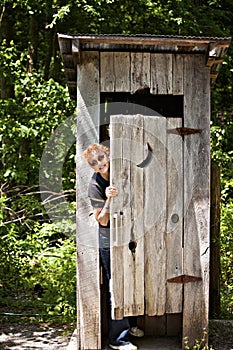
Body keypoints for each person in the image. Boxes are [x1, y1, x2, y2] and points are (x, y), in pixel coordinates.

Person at [82, 143, 144, 350]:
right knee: (115, 285)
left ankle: (132, 324)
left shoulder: (121, 171)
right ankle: (119, 339)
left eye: (100, 158)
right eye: (93, 163)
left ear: (107, 154)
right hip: (109, 240)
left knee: (134, 279)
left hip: (130, 234)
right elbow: (102, 220)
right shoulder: (95, 185)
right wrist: (109, 199)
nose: (99, 164)